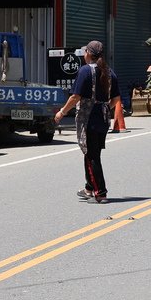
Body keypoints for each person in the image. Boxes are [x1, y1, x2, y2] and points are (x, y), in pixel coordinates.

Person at [54, 40, 121, 204]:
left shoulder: (85, 71)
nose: (84, 55)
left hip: (89, 118)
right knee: (91, 152)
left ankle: (101, 192)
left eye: (85, 52)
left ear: (89, 54)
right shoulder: (109, 72)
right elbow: (116, 99)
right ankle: (89, 188)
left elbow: (75, 96)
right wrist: (104, 107)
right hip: (103, 119)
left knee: (92, 155)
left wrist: (62, 112)